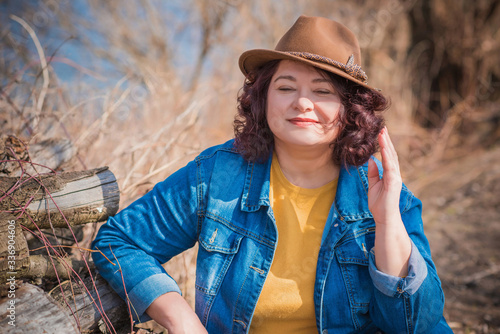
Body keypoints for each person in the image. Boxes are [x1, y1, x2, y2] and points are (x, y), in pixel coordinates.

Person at [92, 15, 453, 333]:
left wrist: (388, 220)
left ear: (350, 110)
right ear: (263, 99)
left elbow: (414, 325)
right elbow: (119, 241)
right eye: (285, 87)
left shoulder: (385, 193)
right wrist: (181, 319)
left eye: (323, 91)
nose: (302, 102)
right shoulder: (218, 175)